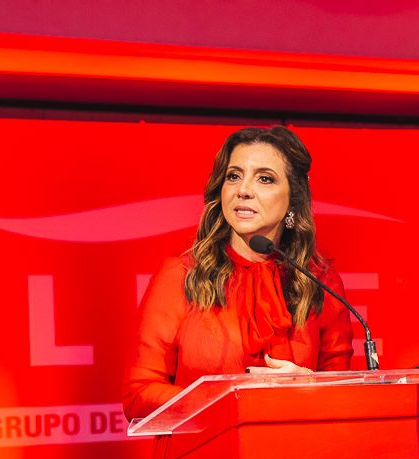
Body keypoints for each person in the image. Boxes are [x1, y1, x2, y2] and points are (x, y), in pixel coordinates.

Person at [122, 125, 354, 421]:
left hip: (293, 448)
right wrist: (230, 400)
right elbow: (139, 395)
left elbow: (342, 396)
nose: (243, 190)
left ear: (293, 199)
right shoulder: (181, 275)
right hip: (204, 449)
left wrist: (307, 387)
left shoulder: (319, 282)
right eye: (233, 176)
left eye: (265, 178)